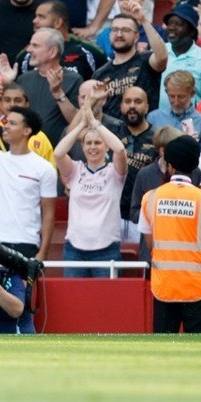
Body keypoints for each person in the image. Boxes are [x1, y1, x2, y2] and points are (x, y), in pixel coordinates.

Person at [140, 134, 201, 333]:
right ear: (195, 166)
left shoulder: (150, 198)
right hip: (198, 288)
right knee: (198, 353)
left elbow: (150, 243)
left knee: (162, 353)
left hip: (164, 287)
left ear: (168, 165)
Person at [0, 107, 57, 259]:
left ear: (27, 131)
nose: (6, 126)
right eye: (6, 122)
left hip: (26, 243)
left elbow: (49, 214)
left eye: (13, 123)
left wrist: (43, 252)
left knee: (19, 284)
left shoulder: (44, 168)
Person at [54, 104, 129, 278]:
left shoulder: (114, 172)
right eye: (88, 143)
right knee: (74, 299)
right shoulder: (75, 169)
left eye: (97, 143)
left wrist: (95, 124)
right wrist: (82, 125)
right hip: (74, 249)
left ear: (106, 147)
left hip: (106, 249)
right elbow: (58, 153)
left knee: (105, 301)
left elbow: (120, 149)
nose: (92, 147)